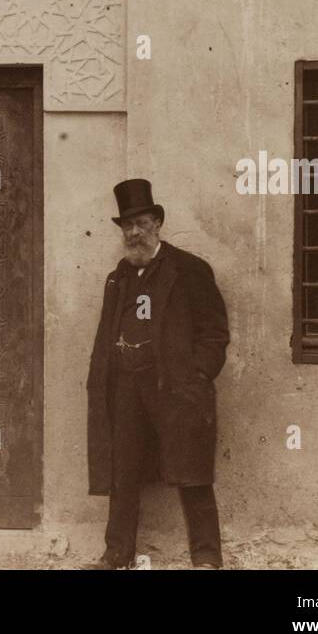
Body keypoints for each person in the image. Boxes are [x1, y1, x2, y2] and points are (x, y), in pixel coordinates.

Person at [84, 179, 230, 570]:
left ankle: (206, 557)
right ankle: (117, 554)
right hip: (128, 388)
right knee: (123, 470)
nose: (134, 233)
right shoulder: (119, 277)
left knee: (191, 470)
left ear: (157, 224)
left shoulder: (189, 270)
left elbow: (215, 333)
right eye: (127, 226)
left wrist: (197, 374)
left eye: (141, 224)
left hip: (174, 387)